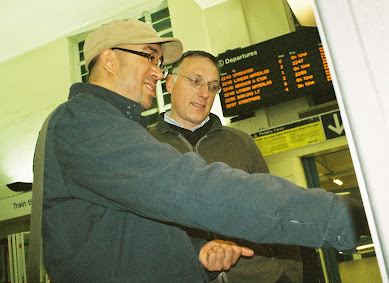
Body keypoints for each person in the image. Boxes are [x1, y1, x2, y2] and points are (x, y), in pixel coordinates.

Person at [35, 17, 369, 282]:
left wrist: (197, 254)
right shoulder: (83, 122)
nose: (157, 69)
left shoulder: (118, 127)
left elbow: (126, 233)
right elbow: (191, 190)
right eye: (149, 57)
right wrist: (345, 216)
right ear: (109, 60)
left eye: (159, 60)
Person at [149, 50, 304, 282]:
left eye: (213, 87)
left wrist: (288, 275)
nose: (204, 93)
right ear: (170, 83)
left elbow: (273, 213)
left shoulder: (241, 142)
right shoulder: (144, 146)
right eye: (195, 81)